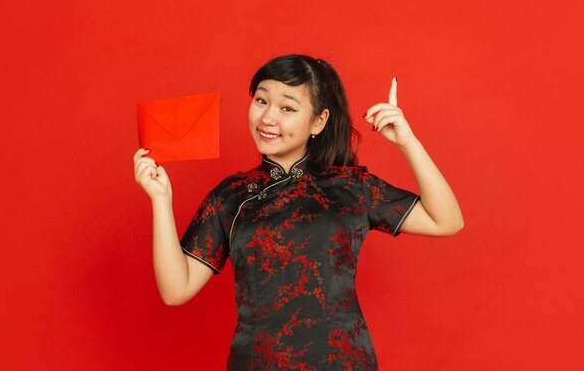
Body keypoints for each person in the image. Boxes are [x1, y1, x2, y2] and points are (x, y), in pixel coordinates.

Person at [133, 54, 464, 371]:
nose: (267, 118)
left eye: (287, 107)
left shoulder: (350, 186)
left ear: (318, 121)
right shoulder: (232, 195)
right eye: (261, 101)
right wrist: (160, 200)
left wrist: (408, 142)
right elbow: (176, 290)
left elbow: (446, 220)